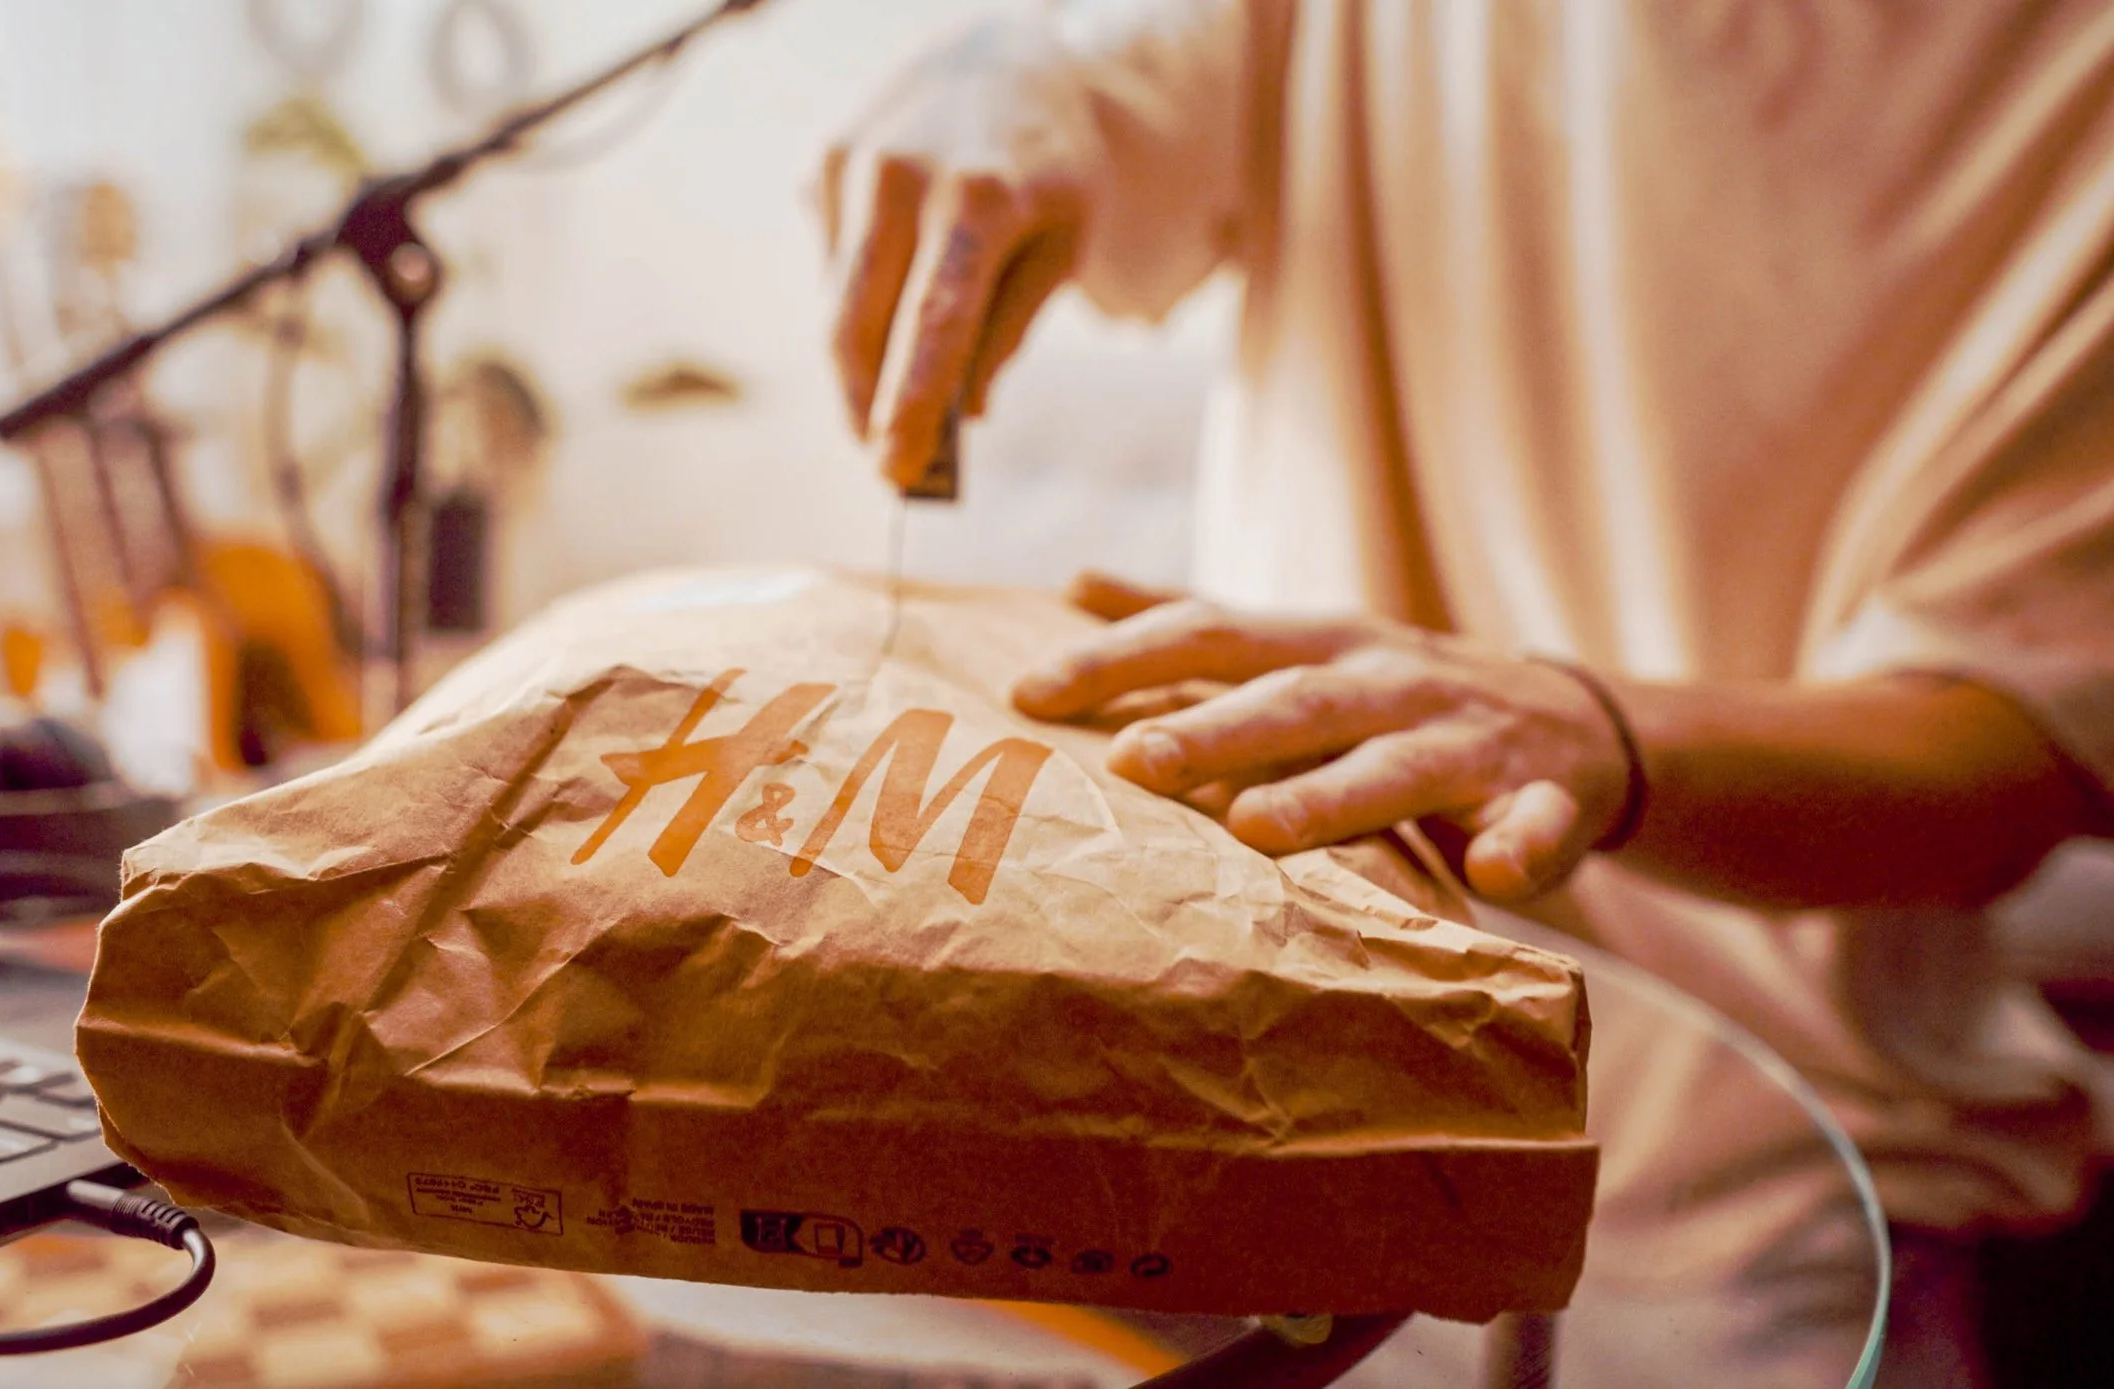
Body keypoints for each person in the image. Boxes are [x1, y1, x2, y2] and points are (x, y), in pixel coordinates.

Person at [821, 3, 2114, 1384]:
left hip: (1749, 1183)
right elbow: (1093, 79)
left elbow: (2011, 747)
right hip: (1262, 1086)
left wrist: (1598, 733)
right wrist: (991, 78)